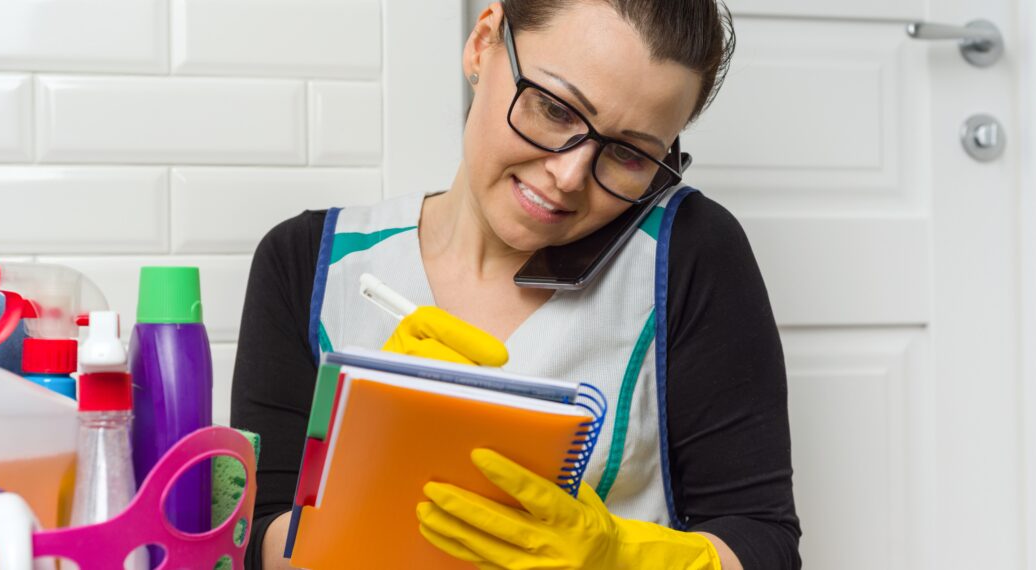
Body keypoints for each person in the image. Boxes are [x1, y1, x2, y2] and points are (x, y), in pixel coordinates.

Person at [232, 1, 801, 568]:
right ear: (483, 43)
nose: (570, 176)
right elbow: (252, 536)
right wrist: (369, 455)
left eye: (629, 154)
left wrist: (620, 558)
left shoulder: (689, 252)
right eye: (554, 109)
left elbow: (763, 541)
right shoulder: (308, 262)